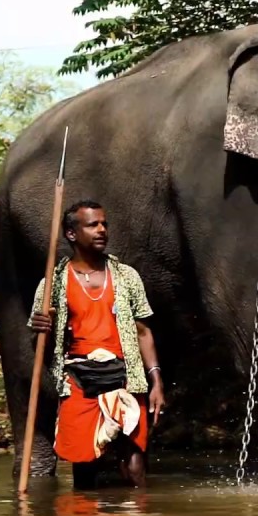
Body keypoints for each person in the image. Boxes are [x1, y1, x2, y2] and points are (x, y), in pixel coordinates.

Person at [28, 200, 167, 489]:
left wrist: (156, 380)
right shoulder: (52, 284)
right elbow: (39, 346)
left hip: (126, 376)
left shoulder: (127, 277)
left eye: (104, 224)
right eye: (93, 225)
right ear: (71, 234)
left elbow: (143, 331)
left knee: (135, 465)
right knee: (84, 466)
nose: (102, 230)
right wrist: (42, 329)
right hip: (78, 379)